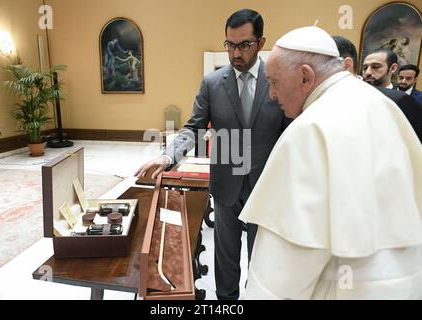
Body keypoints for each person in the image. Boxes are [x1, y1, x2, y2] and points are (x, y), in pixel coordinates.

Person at [239, 26, 422, 299]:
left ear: (305, 76)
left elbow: (286, 267)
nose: (271, 95)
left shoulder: (310, 128)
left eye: (275, 82)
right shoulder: (382, 105)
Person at [135, 9, 290, 300]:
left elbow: (289, 135)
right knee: (226, 260)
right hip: (225, 186)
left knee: (261, 260)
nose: (235, 53)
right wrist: (168, 157)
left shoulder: (278, 81)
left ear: (260, 41)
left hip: (265, 187)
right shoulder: (213, 83)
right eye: (230, 44)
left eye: (244, 44)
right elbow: (192, 128)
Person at [333, 36, 422, 143]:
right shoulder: (353, 94)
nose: (368, 72)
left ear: (393, 68)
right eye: (365, 68)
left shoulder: (402, 100)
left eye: (375, 67)